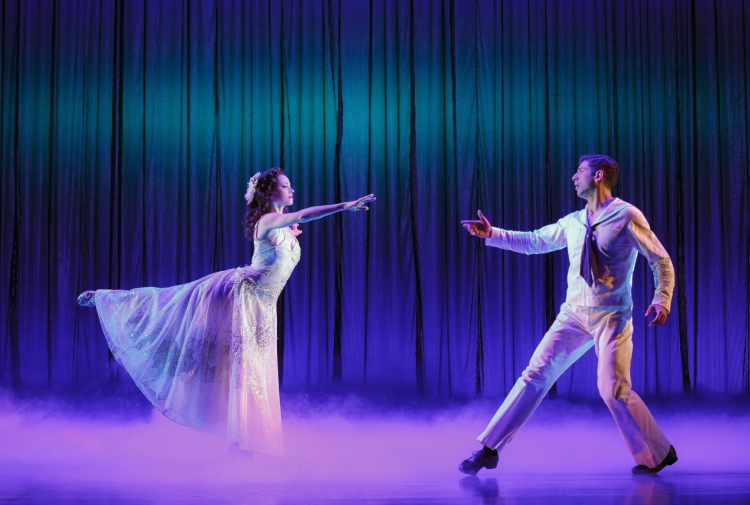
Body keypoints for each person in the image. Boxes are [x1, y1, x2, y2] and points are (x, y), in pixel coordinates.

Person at [78, 167, 375, 458]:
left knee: (251, 370)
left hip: (261, 307)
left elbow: (291, 229)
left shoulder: (279, 225)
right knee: (176, 315)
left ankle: (244, 443)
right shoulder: (268, 220)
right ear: (269, 192)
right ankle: (109, 301)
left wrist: (291, 232)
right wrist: (344, 206)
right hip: (239, 296)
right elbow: (303, 215)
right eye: (286, 185)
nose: (292, 190)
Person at [459, 155, 676, 475]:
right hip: (573, 315)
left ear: (598, 175)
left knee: (612, 389)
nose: (574, 177)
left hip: (612, 316)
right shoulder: (573, 221)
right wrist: (493, 234)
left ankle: (657, 453)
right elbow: (535, 241)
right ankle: (490, 448)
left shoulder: (626, 215)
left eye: (580, 171)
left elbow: (660, 260)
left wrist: (662, 298)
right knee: (535, 375)